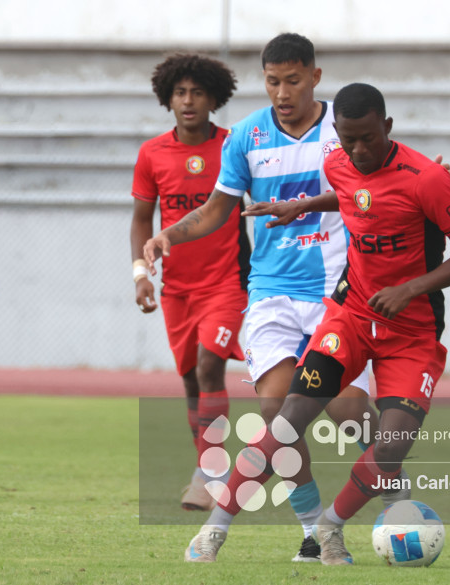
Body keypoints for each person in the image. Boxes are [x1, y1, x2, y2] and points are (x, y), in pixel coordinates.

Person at [182, 82, 450, 564]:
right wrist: (302, 205)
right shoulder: (337, 162)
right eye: (349, 140)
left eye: (369, 138)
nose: (359, 150)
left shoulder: (427, 179)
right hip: (350, 318)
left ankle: (329, 528)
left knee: (389, 449)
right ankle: (213, 532)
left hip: (412, 333)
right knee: (286, 420)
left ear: (387, 126)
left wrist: (411, 288)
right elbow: (351, 195)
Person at [144, 34, 404, 562]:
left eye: (292, 80)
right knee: (276, 416)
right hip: (271, 294)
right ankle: (317, 534)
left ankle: (397, 498)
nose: (282, 92)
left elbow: (379, 187)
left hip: (337, 294)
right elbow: (217, 209)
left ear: (315, 76)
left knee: (349, 410)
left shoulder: (343, 130)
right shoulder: (246, 136)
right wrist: (170, 233)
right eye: (272, 82)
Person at [130, 53, 250, 512]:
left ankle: (209, 475)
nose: (188, 100)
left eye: (198, 92)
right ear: (168, 98)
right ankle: (209, 468)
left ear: (214, 98)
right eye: (180, 92)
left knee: (209, 366)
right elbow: (141, 219)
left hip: (227, 282)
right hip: (177, 288)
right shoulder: (152, 153)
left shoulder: (234, 146)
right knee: (190, 381)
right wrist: (141, 274)